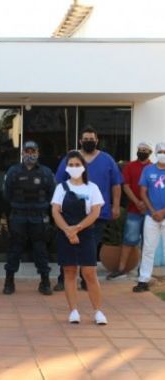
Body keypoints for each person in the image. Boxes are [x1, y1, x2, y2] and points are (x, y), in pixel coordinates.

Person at [54, 126, 123, 291]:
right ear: (80, 141)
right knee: (68, 245)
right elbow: (59, 181)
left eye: (92, 139)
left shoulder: (107, 160)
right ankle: (64, 278)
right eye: (86, 139)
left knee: (90, 246)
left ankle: (87, 279)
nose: (89, 142)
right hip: (71, 213)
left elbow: (116, 184)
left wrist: (116, 205)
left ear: (97, 141)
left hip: (97, 213)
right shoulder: (71, 159)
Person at [51, 150, 108, 325]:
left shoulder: (92, 188)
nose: (74, 168)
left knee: (89, 273)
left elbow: (95, 212)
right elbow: (55, 211)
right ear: (67, 168)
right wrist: (68, 230)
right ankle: (73, 311)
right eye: (71, 165)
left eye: (77, 165)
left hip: (86, 234)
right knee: (69, 272)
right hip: (65, 234)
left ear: (83, 167)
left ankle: (98, 311)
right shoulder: (61, 188)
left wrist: (77, 228)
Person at [2, 141, 56, 295]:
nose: (30, 154)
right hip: (19, 216)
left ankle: (45, 282)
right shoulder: (13, 171)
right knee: (14, 249)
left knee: (40, 250)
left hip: (38, 217)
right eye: (27, 151)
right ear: (22, 153)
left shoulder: (46, 172)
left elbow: (52, 194)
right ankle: (9, 281)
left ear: (38, 153)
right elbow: (6, 194)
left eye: (33, 151)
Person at [107, 142, 152, 280]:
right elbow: (125, 186)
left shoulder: (154, 168)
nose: (142, 151)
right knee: (128, 239)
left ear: (150, 152)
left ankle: (143, 271)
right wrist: (137, 202)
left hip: (151, 211)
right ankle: (121, 269)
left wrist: (145, 203)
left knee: (148, 242)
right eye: (140, 149)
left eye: (145, 150)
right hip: (133, 209)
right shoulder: (130, 166)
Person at [133, 142, 165, 292]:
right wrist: (153, 211)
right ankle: (143, 280)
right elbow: (143, 192)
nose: (163, 155)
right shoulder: (148, 170)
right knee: (148, 248)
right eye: (161, 152)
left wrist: (162, 212)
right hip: (151, 216)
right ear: (156, 153)